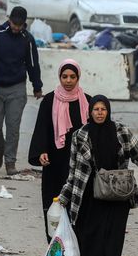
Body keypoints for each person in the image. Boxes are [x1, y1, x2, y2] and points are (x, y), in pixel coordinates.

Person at [58, 95, 138, 256]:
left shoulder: (121, 131)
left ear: (108, 111)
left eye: (103, 109)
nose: (100, 113)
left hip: (118, 191)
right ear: (90, 112)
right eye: (96, 110)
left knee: (113, 234)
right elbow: (73, 169)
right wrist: (65, 195)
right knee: (90, 233)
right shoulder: (80, 135)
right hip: (89, 194)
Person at [28, 59, 91, 241]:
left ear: (78, 77)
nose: (68, 81)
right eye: (65, 76)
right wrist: (41, 151)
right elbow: (42, 128)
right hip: (55, 161)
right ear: (59, 77)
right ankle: (55, 245)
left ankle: (77, 245)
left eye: (72, 76)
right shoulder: (49, 100)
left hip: (80, 163)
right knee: (54, 202)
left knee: (80, 203)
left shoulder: (87, 101)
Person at [0, 6, 43, 175]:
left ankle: (10, 162)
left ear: (24, 24)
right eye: (14, 24)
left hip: (16, 88)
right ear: (9, 20)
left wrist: (37, 86)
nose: (16, 28)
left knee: (13, 127)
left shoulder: (27, 39)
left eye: (20, 25)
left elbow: (32, 64)